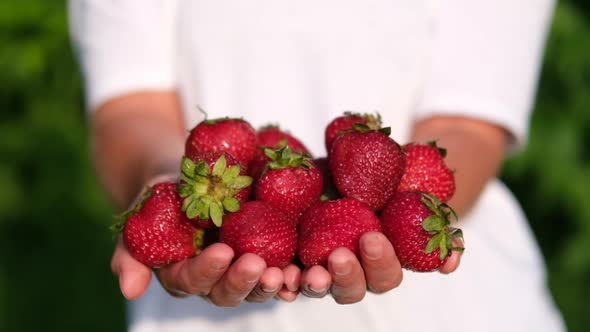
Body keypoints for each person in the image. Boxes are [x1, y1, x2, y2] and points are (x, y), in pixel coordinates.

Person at [69, 0, 565, 331]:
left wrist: (409, 212)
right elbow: (128, 110)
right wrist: (164, 184)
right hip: (203, 289)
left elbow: (471, 125)